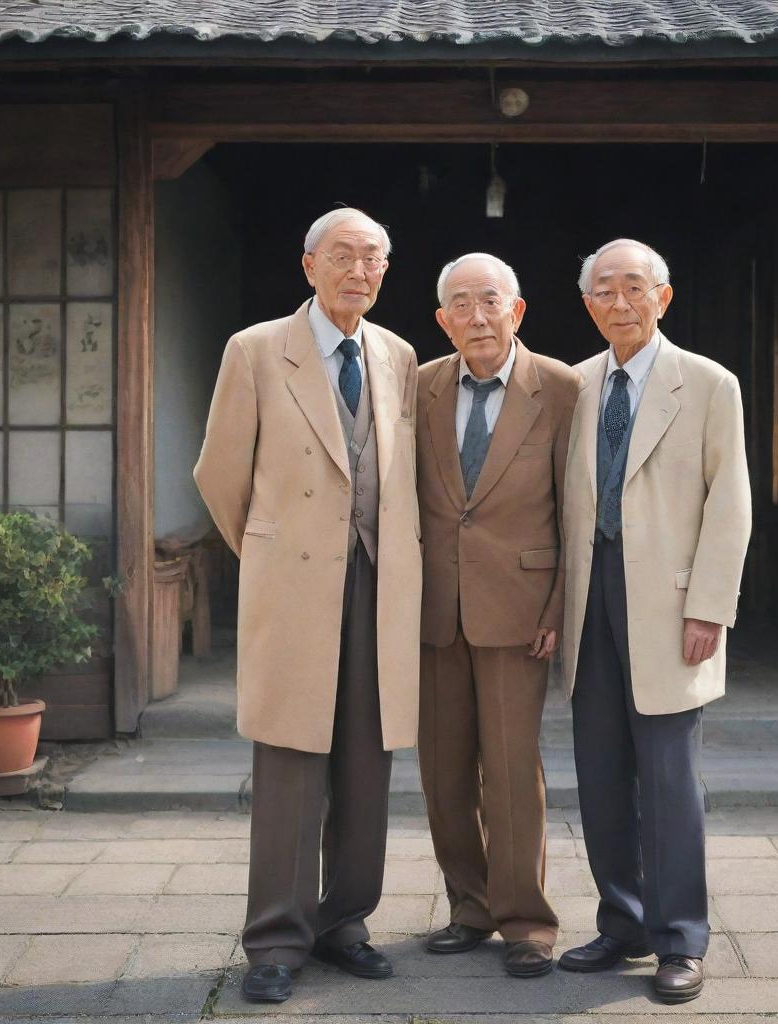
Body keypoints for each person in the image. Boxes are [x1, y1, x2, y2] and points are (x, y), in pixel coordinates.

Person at [194, 208, 421, 1004]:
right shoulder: (256, 350)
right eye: (343, 256)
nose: (359, 271)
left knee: (368, 757)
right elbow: (220, 475)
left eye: (374, 259)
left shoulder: (397, 354)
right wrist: (270, 550)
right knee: (290, 761)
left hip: (378, 580)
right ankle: (276, 941)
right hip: (293, 583)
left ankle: (345, 923)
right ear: (308, 265)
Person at [557, 239, 752, 1004]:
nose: (620, 302)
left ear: (662, 298)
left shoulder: (707, 384)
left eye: (634, 287)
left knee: (670, 778)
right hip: (588, 596)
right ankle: (623, 921)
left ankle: (680, 939)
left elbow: (729, 501)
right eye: (604, 291)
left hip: (672, 604)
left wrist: (710, 605)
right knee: (600, 772)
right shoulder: (574, 385)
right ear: (588, 305)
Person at [415, 253, 579, 977]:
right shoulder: (417, 386)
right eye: (461, 304)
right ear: (442, 319)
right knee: (442, 769)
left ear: (517, 311)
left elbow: (581, 508)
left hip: (520, 608)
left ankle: (525, 922)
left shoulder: (564, 388)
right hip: (433, 605)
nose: (476, 316)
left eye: (490, 302)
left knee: (511, 770)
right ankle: (468, 907)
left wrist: (558, 604)